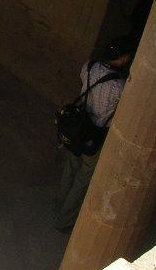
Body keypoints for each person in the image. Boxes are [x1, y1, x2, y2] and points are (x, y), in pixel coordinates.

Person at [54, 36, 135, 234]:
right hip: (96, 134)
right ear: (123, 59)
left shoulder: (88, 67)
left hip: (77, 126)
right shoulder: (119, 86)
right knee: (83, 177)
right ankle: (65, 220)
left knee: (71, 166)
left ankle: (59, 204)